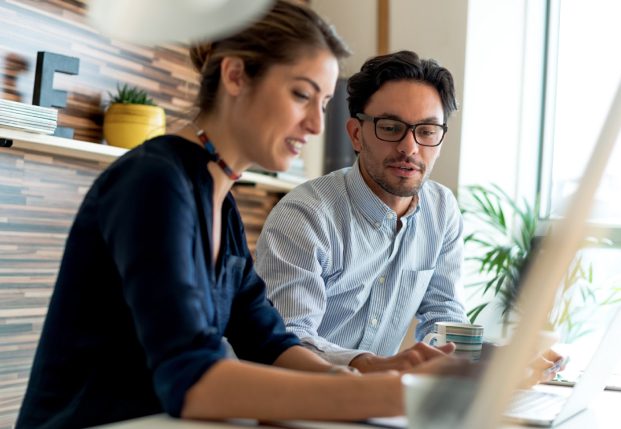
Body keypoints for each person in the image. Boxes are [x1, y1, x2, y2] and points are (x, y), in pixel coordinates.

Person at [15, 4, 468, 429]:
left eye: (323, 105)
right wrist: (390, 397)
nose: (314, 125)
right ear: (236, 76)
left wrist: (365, 376)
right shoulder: (153, 182)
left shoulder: (219, 200)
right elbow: (190, 379)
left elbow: (269, 342)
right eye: (301, 95)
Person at [254, 51, 477, 372]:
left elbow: (444, 313)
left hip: (374, 403)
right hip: (293, 397)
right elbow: (288, 338)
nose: (410, 148)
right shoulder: (305, 215)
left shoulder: (442, 211)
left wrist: (494, 364)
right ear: (357, 134)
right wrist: (372, 368)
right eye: (390, 128)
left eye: (427, 131)